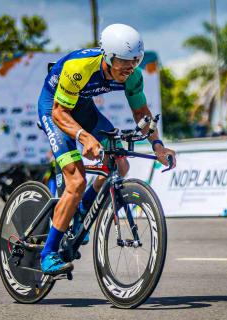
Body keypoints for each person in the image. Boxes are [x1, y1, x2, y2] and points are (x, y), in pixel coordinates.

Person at [37, 24, 176, 275]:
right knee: (76, 181)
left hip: (83, 108)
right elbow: (60, 113)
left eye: (136, 60)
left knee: (120, 164)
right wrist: (84, 137)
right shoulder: (80, 68)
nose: (130, 68)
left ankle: (80, 210)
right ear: (108, 57)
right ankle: (48, 254)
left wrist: (158, 145)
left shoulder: (133, 75)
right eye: (124, 61)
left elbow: (141, 113)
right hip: (54, 108)